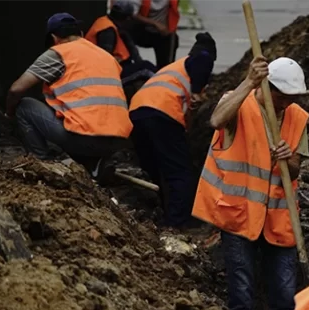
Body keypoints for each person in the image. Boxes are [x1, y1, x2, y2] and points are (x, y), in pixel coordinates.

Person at [192, 55, 309, 310]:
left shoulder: (297, 116)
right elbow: (216, 121)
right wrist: (248, 82)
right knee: (241, 296)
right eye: (282, 96)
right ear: (267, 87)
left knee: (285, 299)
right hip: (240, 216)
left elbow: (298, 166)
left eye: (291, 98)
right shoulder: (238, 103)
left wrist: (289, 158)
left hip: (279, 220)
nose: (287, 103)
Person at [5, 13, 132, 178]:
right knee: (73, 116)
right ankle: (92, 164)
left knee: (24, 106)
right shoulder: (107, 56)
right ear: (80, 34)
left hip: (85, 139)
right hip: (118, 140)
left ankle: (44, 164)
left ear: (54, 38)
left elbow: (16, 89)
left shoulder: (59, 53)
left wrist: (9, 114)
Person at [129, 32, 216, 228]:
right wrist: (197, 90)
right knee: (180, 172)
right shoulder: (200, 59)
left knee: (152, 168)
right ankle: (178, 223)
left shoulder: (173, 71)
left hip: (136, 113)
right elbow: (203, 57)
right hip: (161, 113)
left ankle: (155, 216)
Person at [85, 0, 157, 98]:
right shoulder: (107, 31)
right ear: (127, 18)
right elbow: (104, 60)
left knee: (144, 66)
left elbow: (134, 54)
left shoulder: (110, 24)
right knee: (146, 68)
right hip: (108, 76)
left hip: (118, 68)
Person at [127, 0, 180, 70]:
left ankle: (163, 74)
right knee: (124, 34)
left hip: (163, 32)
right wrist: (155, 24)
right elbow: (133, 14)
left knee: (166, 65)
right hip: (141, 29)